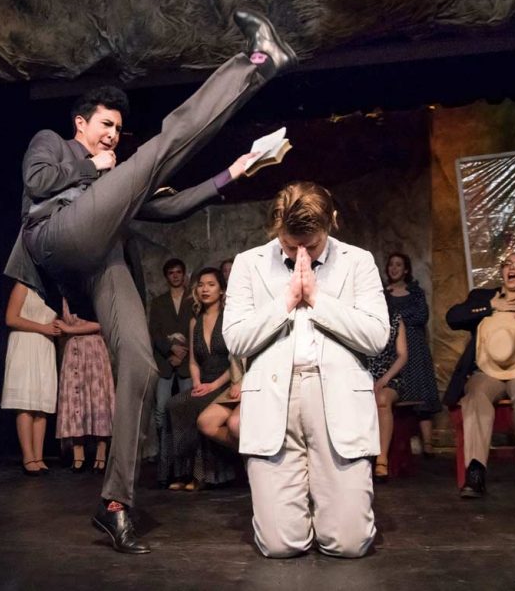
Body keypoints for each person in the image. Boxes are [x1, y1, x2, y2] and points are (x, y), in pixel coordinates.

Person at [3, 10, 297, 553]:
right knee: (156, 153)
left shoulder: (115, 175)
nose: (113, 133)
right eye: (105, 125)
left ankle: (114, 503)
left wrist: (238, 169)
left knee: (139, 362)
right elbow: (38, 182)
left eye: (117, 127)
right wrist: (99, 168)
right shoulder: (54, 145)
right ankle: (255, 61)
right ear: (82, 125)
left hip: (102, 259)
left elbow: (171, 206)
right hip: (57, 236)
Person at [223, 181, 389, 558]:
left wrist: (317, 299)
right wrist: (286, 300)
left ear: (332, 221)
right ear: (275, 227)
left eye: (311, 246)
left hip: (338, 400)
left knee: (349, 544)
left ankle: (334, 514)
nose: (300, 253)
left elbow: (377, 335)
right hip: (273, 401)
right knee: (280, 546)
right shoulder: (249, 264)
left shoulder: (357, 261)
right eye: (288, 244)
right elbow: (236, 338)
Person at [444, 249, 515, 498]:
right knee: (475, 396)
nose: (512, 267)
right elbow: (453, 317)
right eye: (507, 263)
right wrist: (490, 306)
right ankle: (475, 471)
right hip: (487, 370)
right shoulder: (483, 296)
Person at [165, 267, 236, 490]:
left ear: (222, 290)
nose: (205, 289)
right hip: (203, 381)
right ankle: (181, 473)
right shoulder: (195, 321)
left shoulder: (230, 318)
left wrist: (213, 385)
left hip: (226, 380)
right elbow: (194, 361)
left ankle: (202, 475)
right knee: (174, 404)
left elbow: (236, 361)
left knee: (195, 406)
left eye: (211, 285)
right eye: (201, 284)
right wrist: (196, 383)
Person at [384, 252, 441, 456]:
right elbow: (381, 318)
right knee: (397, 394)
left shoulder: (415, 292)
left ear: (406, 269)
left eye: (398, 265)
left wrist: (397, 318)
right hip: (392, 350)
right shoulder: (382, 293)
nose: (394, 268)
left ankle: (428, 445)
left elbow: (421, 316)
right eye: (391, 264)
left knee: (422, 393)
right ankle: (397, 446)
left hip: (415, 347)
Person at [0, 281, 60, 476]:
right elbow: (10, 318)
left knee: (42, 405)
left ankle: (38, 457)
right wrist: (42, 328)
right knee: (26, 403)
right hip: (25, 344)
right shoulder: (22, 286)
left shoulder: (52, 291)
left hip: (44, 347)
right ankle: (28, 457)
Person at [55, 299, 115, 474]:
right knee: (75, 400)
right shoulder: (64, 298)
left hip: (93, 349)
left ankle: (101, 453)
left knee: (98, 401)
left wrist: (69, 329)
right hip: (73, 349)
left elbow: (101, 323)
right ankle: (78, 454)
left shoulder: (94, 292)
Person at [148, 258, 193, 485]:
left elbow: (197, 326)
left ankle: (185, 462)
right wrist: (170, 350)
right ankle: (165, 459)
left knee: (186, 411)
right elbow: (154, 332)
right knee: (160, 412)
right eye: (171, 273)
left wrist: (184, 352)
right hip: (165, 362)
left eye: (178, 272)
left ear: (184, 275)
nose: (175, 276)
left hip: (187, 361)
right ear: (166, 277)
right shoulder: (158, 302)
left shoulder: (193, 299)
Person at [368, 309, 408, 482]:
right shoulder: (357, 315)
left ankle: (381, 459)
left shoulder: (395, 319)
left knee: (382, 400)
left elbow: (402, 355)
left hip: (389, 377)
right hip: (360, 375)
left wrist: (384, 379)